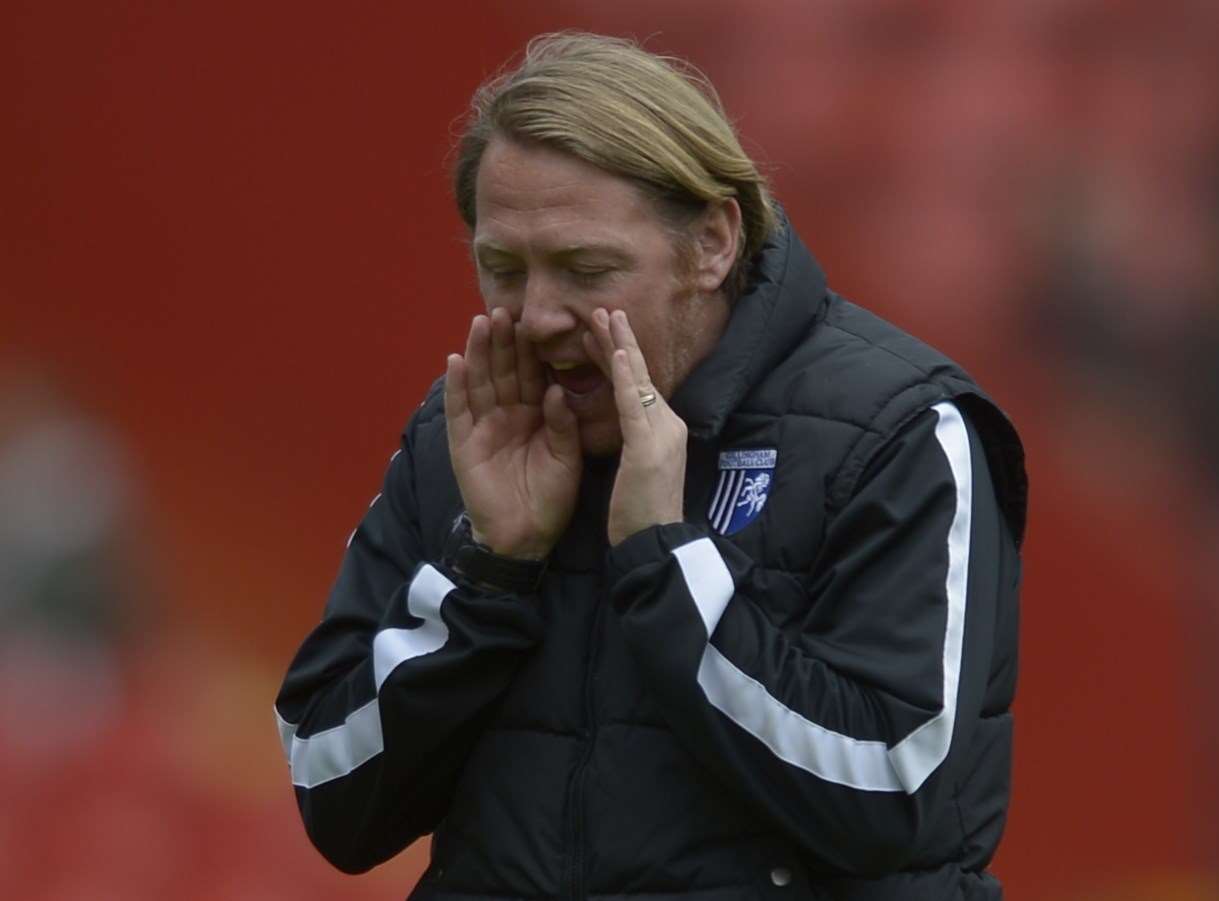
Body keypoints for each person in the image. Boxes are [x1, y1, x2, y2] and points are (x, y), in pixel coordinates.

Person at [274, 32, 1027, 901]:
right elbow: (332, 794)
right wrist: (486, 573)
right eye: (502, 269)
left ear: (710, 243)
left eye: (584, 268)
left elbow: (888, 793)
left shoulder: (897, 428)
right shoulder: (459, 436)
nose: (539, 315)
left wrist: (666, 564)